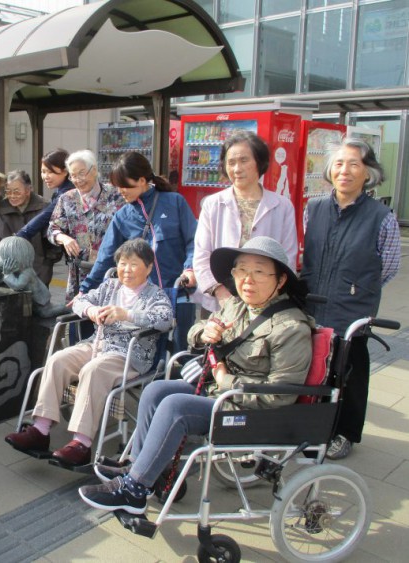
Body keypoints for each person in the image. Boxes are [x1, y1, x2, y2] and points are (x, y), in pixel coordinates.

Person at [79, 237, 314, 514]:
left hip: (252, 411)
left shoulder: (291, 327)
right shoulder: (237, 306)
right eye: (240, 270)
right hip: (222, 394)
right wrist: (205, 333)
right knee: (157, 391)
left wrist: (225, 379)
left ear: (281, 280)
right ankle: (141, 466)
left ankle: (134, 489)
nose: (247, 280)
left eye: (259, 272)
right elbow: (195, 332)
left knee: (176, 406)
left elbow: (278, 395)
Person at [5, 239, 173, 466]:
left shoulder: (156, 295)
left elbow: (165, 320)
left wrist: (128, 314)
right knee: (57, 360)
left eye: (134, 264)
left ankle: (81, 443)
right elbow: (79, 301)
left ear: (149, 267)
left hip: (128, 354)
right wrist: (90, 310)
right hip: (97, 344)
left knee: (93, 370)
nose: (126, 270)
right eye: (123, 263)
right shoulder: (110, 286)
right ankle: (40, 430)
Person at [300, 137, 400, 460]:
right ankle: (311, 428)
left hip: (353, 309)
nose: (345, 170)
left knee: (350, 372)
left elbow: (388, 266)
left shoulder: (380, 216)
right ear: (330, 169)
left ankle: (345, 433)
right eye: (339, 163)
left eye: (354, 164)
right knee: (313, 369)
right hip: (314, 302)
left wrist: (357, 288)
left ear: (367, 173)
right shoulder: (313, 208)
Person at [194, 131, 297, 312]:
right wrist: (220, 292)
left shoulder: (282, 206)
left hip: (267, 303)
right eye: (231, 162)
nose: (236, 169)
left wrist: (269, 296)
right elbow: (202, 255)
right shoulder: (213, 204)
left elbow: (288, 257)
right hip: (220, 303)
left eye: (244, 161)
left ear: (260, 161)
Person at [81, 151, 196, 293]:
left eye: (124, 185)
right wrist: (84, 290)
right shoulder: (122, 216)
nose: (120, 191)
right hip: (142, 298)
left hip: (178, 291)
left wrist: (189, 268)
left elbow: (194, 240)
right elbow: (105, 258)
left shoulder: (175, 202)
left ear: (142, 180)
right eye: (117, 186)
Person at [47, 150, 123, 301]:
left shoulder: (115, 195)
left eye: (82, 173)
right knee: (80, 316)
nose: (77, 179)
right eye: (73, 175)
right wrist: (63, 238)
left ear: (94, 170)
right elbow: (52, 229)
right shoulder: (67, 199)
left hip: (112, 270)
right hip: (80, 271)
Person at [0, 170, 53, 285]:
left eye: (16, 192)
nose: (12, 196)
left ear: (28, 190)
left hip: (40, 266)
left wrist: (48, 262)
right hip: (11, 266)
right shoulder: (2, 207)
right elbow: (2, 236)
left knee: (40, 299)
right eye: (8, 192)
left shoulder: (44, 206)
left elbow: (52, 239)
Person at [15, 149, 75, 252]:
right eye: (43, 172)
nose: (45, 176)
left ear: (65, 171)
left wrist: (22, 234)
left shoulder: (67, 193)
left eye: (50, 172)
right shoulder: (61, 190)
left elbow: (46, 215)